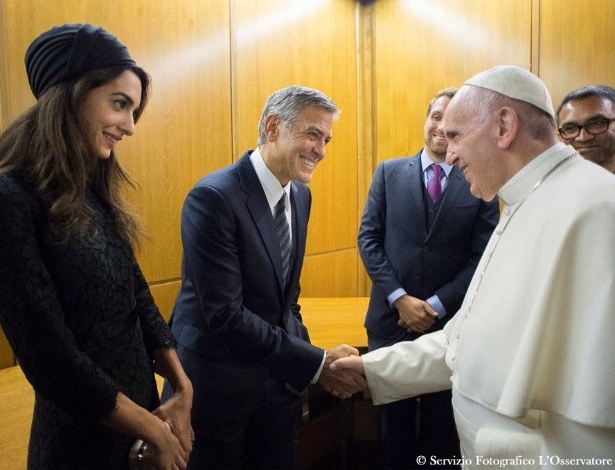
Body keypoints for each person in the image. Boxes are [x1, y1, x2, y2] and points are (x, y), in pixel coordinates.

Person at [332, 65, 615, 468]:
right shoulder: (522, 200)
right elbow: (465, 341)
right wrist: (370, 369)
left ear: (503, 126)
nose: (450, 154)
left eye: (456, 136)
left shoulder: (599, 208)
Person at [0, 24, 194, 470]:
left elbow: (136, 295)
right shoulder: (11, 198)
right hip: (79, 441)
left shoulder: (92, 186)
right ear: (71, 96)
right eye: (120, 104)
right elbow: (51, 358)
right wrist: (151, 428)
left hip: (140, 423)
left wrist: (182, 388)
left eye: (133, 110)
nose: (129, 126)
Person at [163, 85, 366, 469]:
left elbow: (286, 299)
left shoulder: (300, 196)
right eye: (312, 134)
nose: (320, 150)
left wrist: (315, 364)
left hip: (276, 388)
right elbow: (225, 315)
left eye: (326, 139)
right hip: (218, 390)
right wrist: (317, 363)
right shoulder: (214, 198)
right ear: (273, 127)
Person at [358, 88, 499, 469]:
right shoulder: (388, 173)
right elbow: (368, 240)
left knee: (442, 428)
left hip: (449, 325)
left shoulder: (481, 181)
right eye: (436, 115)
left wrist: (436, 306)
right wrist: (399, 298)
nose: (441, 126)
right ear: (427, 119)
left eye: (452, 121)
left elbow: (483, 257)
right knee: (393, 428)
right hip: (390, 321)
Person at [556, 84, 615, 173]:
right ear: (559, 136)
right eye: (570, 128)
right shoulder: (550, 182)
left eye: (597, 123)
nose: (583, 137)